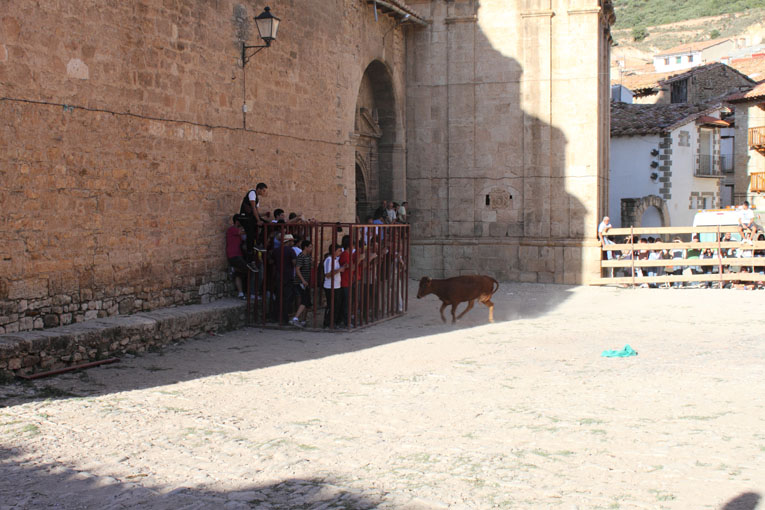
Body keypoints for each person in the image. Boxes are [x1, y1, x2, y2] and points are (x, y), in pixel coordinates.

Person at [226, 215, 252, 300]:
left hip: (239, 254)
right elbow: (242, 232)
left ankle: (240, 293)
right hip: (234, 255)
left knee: (239, 275)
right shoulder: (232, 229)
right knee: (248, 269)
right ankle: (233, 269)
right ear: (237, 221)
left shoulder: (238, 230)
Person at [240, 182, 268, 255]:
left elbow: (257, 212)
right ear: (259, 189)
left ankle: (258, 243)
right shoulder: (252, 193)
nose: (264, 192)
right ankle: (249, 251)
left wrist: (263, 215)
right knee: (250, 234)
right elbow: (253, 208)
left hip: (251, 217)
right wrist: (258, 220)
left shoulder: (257, 199)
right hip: (246, 217)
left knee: (267, 225)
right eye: (263, 190)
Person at [291, 240, 313, 327]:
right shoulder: (301, 256)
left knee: (307, 302)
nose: (311, 248)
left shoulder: (308, 257)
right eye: (310, 247)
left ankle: (303, 320)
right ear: (305, 247)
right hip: (301, 282)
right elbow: (297, 269)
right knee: (304, 300)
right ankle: (295, 318)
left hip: (306, 282)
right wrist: (303, 280)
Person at [323, 243, 346, 328]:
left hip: (336, 286)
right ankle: (327, 323)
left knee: (336, 305)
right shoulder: (329, 260)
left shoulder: (335, 259)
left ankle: (333, 322)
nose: (340, 252)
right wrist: (339, 270)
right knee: (331, 305)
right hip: (330, 286)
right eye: (339, 251)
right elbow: (327, 274)